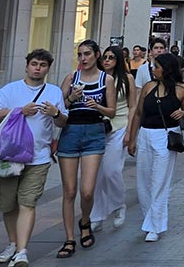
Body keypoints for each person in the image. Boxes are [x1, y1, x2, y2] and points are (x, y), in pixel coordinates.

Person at [0, 49, 67, 267]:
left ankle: (22, 251)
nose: (38, 68)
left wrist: (56, 114)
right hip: (9, 156)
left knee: (27, 203)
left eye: (42, 65)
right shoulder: (10, 90)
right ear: (27, 65)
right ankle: (12, 243)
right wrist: (18, 111)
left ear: (48, 68)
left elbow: (62, 123)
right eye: (34, 64)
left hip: (39, 157)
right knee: (8, 205)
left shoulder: (54, 92)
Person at [54, 40, 115, 258]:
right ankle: (69, 238)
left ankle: (85, 220)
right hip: (70, 132)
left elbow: (112, 112)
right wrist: (72, 97)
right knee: (69, 190)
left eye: (87, 54)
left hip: (94, 132)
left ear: (97, 55)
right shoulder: (71, 78)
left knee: (87, 190)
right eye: (80, 54)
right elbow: (58, 106)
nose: (83, 58)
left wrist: (97, 106)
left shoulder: (106, 79)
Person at [127, 53, 184, 242]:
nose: (153, 69)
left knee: (159, 181)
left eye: (156, 66)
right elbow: (138, 113)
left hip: (166, 135)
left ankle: (156, 225)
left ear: (167, 68)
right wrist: (132, 138)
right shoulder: (148, 87)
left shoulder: (182, 90)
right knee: (143, 180)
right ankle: (150, 219)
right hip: (146, 134)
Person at [91, 45, 134, 229]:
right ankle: (96, 216)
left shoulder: (127, 78)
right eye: (105, 57)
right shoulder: (97, 78)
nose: (107, 60)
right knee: (95, 176)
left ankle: (118, 204)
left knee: (112, 171)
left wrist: (130, 133)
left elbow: (133, 106)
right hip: (97, 128)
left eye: (111, 57)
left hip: (119, 127)